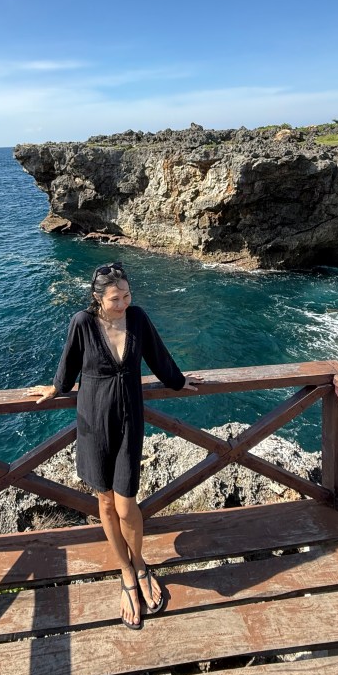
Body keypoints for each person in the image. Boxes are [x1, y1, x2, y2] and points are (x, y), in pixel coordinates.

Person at [29, 262, 202, 629]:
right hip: (93, 422)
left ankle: (139, 561)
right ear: (97, 298)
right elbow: (69, 364)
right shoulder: (82, 322)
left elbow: (158, 355)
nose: (122, 303)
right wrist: (55, 388)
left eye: (126, 295)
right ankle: (126, 571)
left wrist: (178, 382)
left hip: (129, 421)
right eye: (114, 298)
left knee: (127, 503)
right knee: (105, 501)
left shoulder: (137, 318)